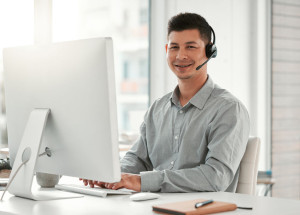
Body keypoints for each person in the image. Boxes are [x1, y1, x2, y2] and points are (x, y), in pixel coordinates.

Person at [81, 12, 250, 193]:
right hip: (156, 206)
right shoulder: (157, 109)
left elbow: (215, 177)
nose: (180, 55)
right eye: (174, 47)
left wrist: (143, 181)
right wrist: (111, 176)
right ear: (166, 50)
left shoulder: (229, 109)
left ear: (209, 51)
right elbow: (137, 159)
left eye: (191, 47)